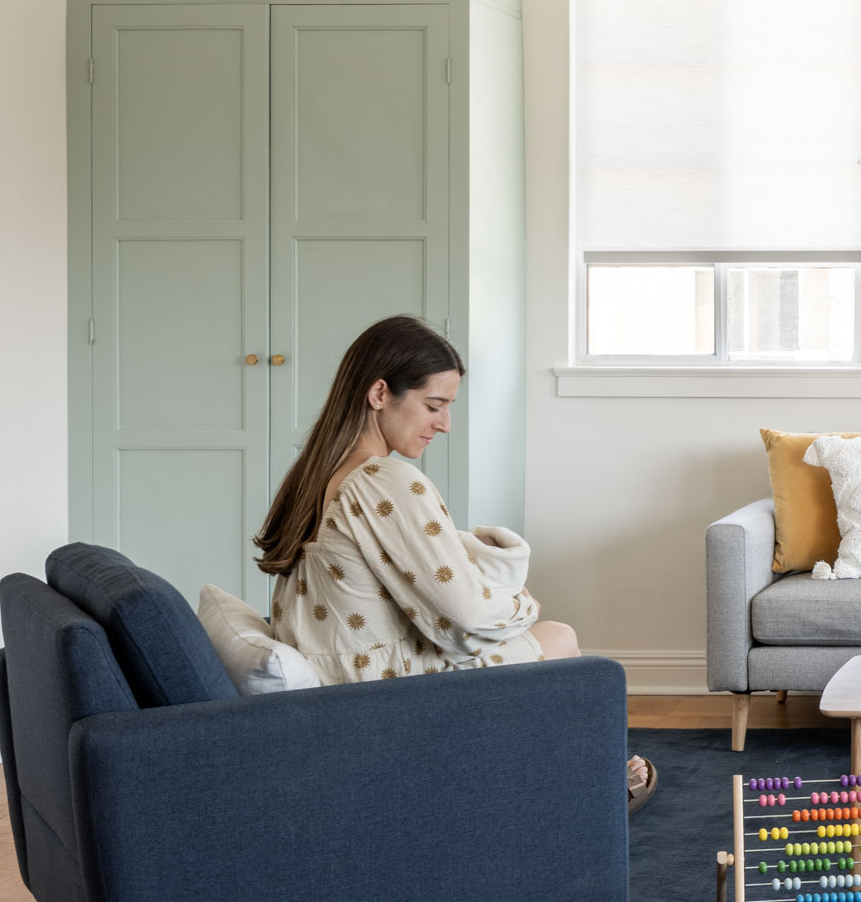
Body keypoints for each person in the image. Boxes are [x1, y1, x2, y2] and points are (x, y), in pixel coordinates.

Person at [252, 315, 654, 809]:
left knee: (539, 640)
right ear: (380, 394)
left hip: (344, 683)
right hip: (382, 695)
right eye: (434, 406)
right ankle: (580, 789)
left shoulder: (315, 476)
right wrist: (522, 606)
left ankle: (560, 777)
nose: (444, 423)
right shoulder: (386, 481)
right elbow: (465, 621)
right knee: (558, 635)